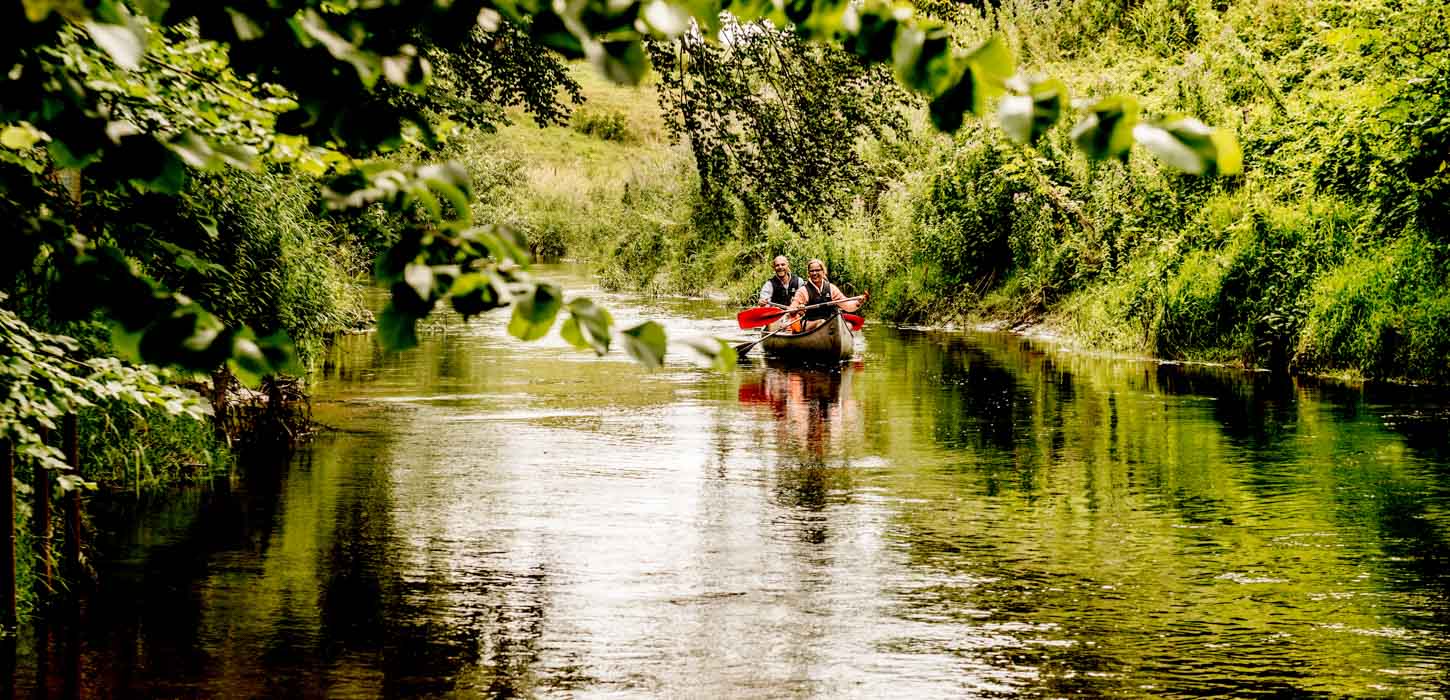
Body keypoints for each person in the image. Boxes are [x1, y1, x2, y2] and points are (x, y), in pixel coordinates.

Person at [786, 259, 867, 332]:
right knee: (821, 323)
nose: (814, 273)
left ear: (823, 271)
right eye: (812, 271)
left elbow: (847, 306)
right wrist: (797, 309)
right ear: (808, 273)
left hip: (829, 322)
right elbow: (791, 310)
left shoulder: (832, 288)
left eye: (817, 270)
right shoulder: (803, 291)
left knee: (848, 326)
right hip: (810, 322)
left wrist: (858, 303)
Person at [757, 255, 803, 330]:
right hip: (777, 317)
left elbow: (804, 300)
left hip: (794, 316)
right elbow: (764, 306)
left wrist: (800, 306)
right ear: (774, 268)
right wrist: (762, 304)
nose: (780, 267)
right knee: (775, 322)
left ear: (788, 265)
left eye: (783, 264)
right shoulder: (769, 285)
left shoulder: (799, 281)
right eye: (777, 265)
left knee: (800, 316)